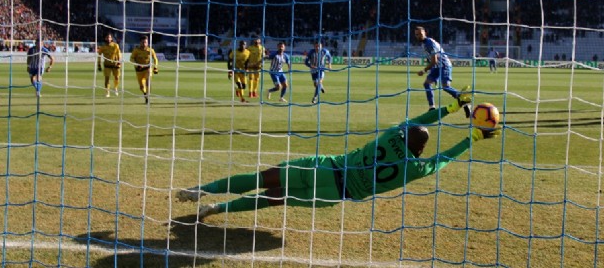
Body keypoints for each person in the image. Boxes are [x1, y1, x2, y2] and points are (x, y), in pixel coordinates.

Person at [175, 92, 499, 219]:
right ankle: (215, 209)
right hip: (336, 192)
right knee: (274, 196)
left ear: (405, 135)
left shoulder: (391, 134)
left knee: (264, 178)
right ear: (420, 150)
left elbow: (419, 121)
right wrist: (471, 138)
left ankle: (202, 190)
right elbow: (440, 160)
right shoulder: (414, 168)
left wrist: (451, 108)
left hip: (325, 167)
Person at [414, 26, 471, 116]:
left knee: (445, 87)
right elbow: (432, 60)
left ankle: (464, 101)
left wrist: (424, 70)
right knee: (427, 83)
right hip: (436, 67)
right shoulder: (425, 43)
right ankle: (432, 107)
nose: (418, 36)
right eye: (417, 35)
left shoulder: (429, 43)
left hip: (444, 65)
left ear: (425, 33)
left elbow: (434, 61)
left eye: (420, 34)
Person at [130, 35, 159, 104]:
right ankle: (145, 95)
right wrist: (137, 65)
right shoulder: (136, 50)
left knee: (148, 82)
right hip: (139, 70)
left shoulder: (150, 50)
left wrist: (155, 67)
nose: (144, 44)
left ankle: (148, 96)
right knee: (141, 87)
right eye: (143, 42)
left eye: (145, 42)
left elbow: (155, 59)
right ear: (140, 42)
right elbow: (131, 59)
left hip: (147, 68)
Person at [97, 32, 122, 98]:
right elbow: (99, 56)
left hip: (115, 65)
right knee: (107, 79)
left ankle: (115, 88)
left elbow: (119, 53)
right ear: (105, 38)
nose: (108, 39)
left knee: (117, 77)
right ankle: (107, 92)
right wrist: (99, 64)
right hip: (107, 65)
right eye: (107, 37)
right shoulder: (103, 47)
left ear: (111, 38)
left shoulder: (115, 45)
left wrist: (119, 61)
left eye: (109, 37)